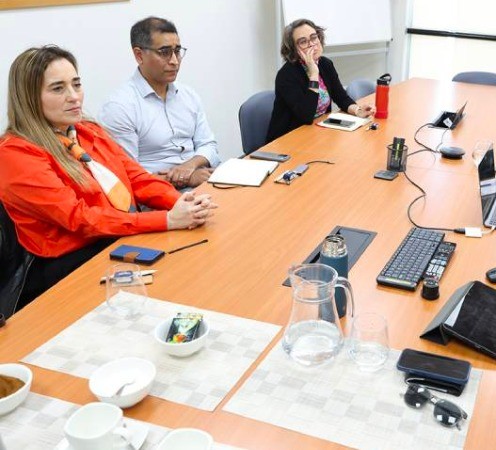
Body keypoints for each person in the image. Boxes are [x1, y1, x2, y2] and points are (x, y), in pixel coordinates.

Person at [0, 46, 217, 310]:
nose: (74, 97)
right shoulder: (16, 154)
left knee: (196, 272)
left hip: (115, 237)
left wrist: (184, 202)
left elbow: (135, 177)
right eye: (58, 88)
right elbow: (80, 218)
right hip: (68, 262)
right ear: (29, 98)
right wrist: (166, 219)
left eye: (76, 84)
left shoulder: (87, 131)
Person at [99, 17, 220, 190]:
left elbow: (208, 145)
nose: (174, 61)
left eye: (177, 51)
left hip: (202, 180)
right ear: (139, 55)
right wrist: (187, 178)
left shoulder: (188, 95)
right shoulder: (119, 107)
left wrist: (190, 166)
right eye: (164, 52)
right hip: (159, 196)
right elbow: (127, 178)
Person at [266, 18, 374, 143]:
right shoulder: (286, 76)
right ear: (294, 49)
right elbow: (306, 116)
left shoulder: (325, 64)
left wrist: (358, 111)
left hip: (318, 133)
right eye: (303, 42)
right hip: (288, 140)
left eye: (313, 37)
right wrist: (313, 75)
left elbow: (341, 97)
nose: (312, 44)